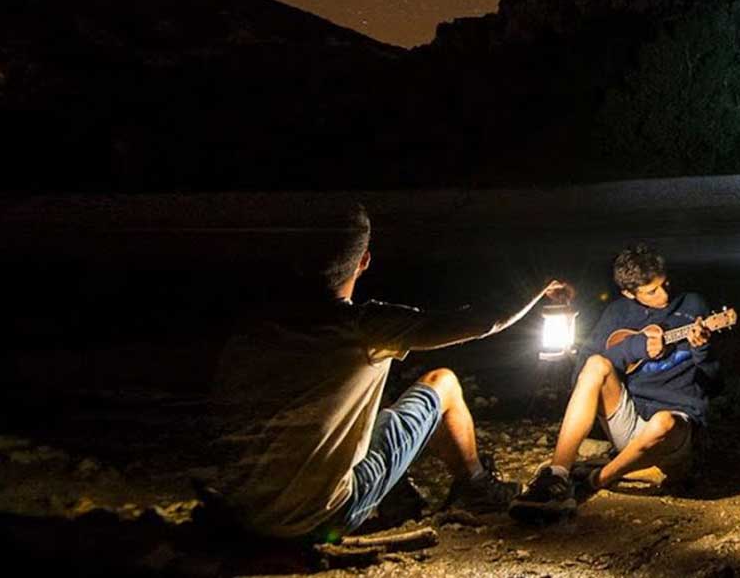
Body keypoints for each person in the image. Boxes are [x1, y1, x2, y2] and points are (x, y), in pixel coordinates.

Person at [208, 203, 571, 542]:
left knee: (376, 417)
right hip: (319, 518)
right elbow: (483, 320)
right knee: (442, 382)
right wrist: (540, 282)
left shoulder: (254, 328)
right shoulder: (363, 327)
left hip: (241, 512)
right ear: (364, 261)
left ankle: (401, 496)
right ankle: (475, 487)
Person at [510, 243, 715, 520]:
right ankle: (556, 475)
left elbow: (714, 382)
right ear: (629, 293)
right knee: (596, 365)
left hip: (674, 427)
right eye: (651, 291)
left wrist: (702, 349)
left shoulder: (693, 306)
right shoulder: (618, 314)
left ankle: (597, 479)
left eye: (665, 284)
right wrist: (635, 349)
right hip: (630, 420)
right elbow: (582, 374)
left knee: (663, 422)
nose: (664, 294)